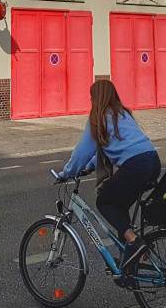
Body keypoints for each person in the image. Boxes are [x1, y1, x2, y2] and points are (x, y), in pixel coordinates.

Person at [60, 80, 160, 273]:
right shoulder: (122, 113)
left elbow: (82, 152)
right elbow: (105, 149)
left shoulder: (98, 118)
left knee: (104, 201)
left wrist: (67, 173)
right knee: (119, 207)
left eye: (91, 97)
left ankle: (135, 243)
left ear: (96, 98)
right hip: (152, 161)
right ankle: (129, 259)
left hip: (135, 166)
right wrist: (89, 167)